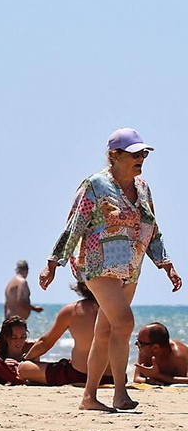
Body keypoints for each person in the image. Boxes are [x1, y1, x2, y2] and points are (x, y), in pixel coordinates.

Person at [41, 128, 182, 411]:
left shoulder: (143, 188)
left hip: (131, 267)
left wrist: (166, 264)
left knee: (105, 331)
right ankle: (120, 392)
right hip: (98, 264)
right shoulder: (94, 185)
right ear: (114, 156)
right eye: (134, 153)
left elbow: (152, 228)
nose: (141, 158)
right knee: (124, 323)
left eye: (143, 153)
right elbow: (75, 224)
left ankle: (89, 397)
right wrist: (53, 262)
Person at [17, 282, 100, 386]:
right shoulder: (118, 310)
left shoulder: (73, 310)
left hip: (80, 375)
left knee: (24, 368)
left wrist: (24, 360)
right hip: (114, 377)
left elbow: (45, 343)